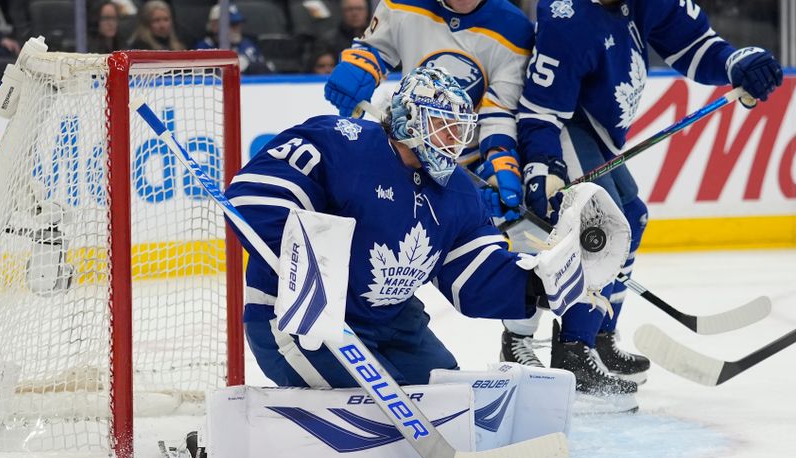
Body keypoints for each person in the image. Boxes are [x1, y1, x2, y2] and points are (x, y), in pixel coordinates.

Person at [224, 66, 589, 388]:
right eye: (442, 125)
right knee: (388, 411)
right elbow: (255, 195)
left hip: (393, 323)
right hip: (300, 322)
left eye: (458, 129)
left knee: (449, 400)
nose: (452, 139)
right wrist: (310, 261)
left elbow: (474, 275)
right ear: (410, 118)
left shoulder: (459, 190)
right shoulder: (341, 142)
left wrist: (536, 282)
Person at [508, 0, 783, 395]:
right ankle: (573, 349)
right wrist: (541, 168)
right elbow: (540, 114)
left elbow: (694, 46)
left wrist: (736, 61)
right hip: (569, 125)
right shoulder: (567, 18)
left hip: (600, 135)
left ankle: (599, 337)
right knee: (600, 224)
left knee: (632, 217)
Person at [323, 0, 533, 192]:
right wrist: (361, 67)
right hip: (409, 149)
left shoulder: (514, 28)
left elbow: (500, 108)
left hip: (470, 162)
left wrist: (498, 156)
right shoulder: (402, 3)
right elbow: (376, 47)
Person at [194, 4, 273, 75]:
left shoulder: (247, 44)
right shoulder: (204, 46)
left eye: (238, 24)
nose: (237, 29)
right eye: (232, 24)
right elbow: (198, 73)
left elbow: (268, 70)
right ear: (215, 26)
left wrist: (249, 65)